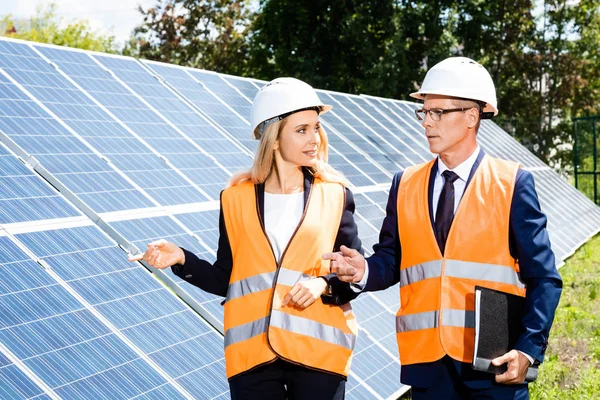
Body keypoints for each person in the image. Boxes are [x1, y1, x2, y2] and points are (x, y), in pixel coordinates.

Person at [324, 57, 563, 400]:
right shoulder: (404, 183)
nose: (427, 123)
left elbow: (544, 278)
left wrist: (528, 350)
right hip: (428, 365)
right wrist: (363, 270)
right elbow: (392, 260)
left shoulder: (511, 182)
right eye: (424, 111)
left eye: (438, 112)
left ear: (471, 116)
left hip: (494, 358)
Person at [129, 77, 362, 400]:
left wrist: (323, 284)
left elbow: (354, 273)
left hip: (319, 355)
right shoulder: (234, 199)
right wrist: (182, 258)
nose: (314, 139)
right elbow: (229, 278)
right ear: (274, 138)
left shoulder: (336, 195)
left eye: (316, 127)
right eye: (301, 130)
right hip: (252, 358)